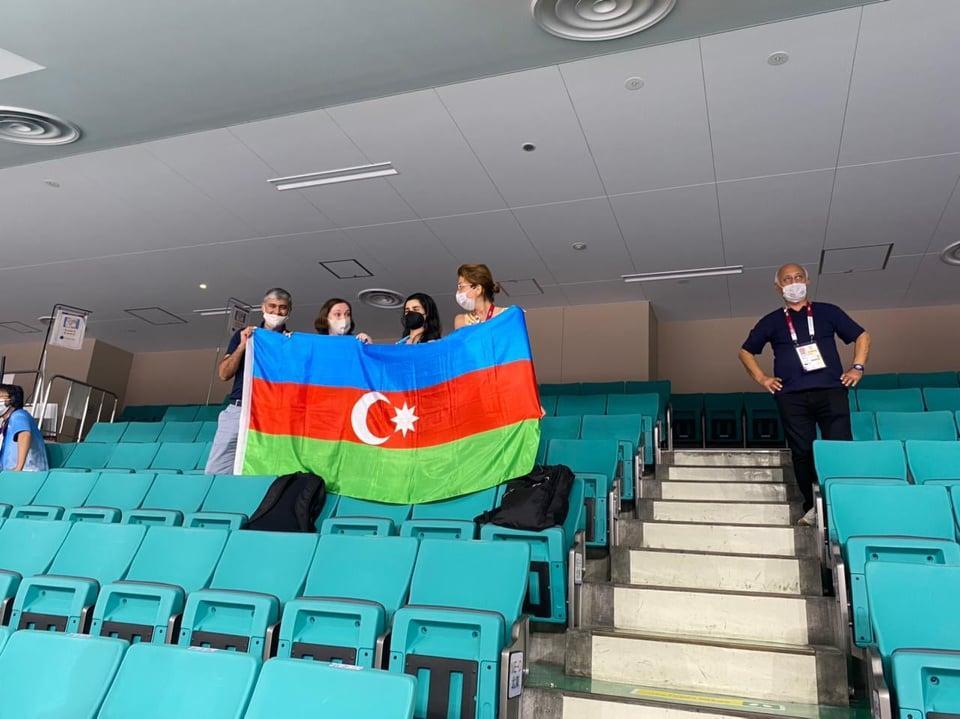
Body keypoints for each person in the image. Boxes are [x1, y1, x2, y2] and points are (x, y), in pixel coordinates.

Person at [738, 263, 871, 525]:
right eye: (787, 279)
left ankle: (843, 501)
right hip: (791, 396)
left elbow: (862, 335)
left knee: (839, 446)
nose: (794, 282)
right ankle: (813, 507)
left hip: (831, 390)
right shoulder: (771, 321)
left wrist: (857, 367)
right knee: (802, 451)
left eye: (798, 277)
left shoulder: (828, 311)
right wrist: (762, 378)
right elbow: (745, 351)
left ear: (807, 281)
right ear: (778, 287)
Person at [205, 287, 293, 475]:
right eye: (272, 306)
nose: (277, 312)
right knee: (217, 470)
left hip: (272, 413)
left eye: (282, 307)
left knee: (265, 469)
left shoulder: (292, 342)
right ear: (263, 307)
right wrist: (243, 345)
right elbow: (223, 374)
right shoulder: (245, 335)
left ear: (289, 311)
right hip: (239, 409)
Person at [0, 384, 48, 472]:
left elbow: (24, 435)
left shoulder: (18, 415)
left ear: (12, 400)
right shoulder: (7, 422)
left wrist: (19, 468)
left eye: (0, 397)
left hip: (27, 473)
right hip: (11, 473)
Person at [453, 263, 507, 330]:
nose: (458, 291)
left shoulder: (507, 315)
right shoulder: (461, 320)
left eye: (461, 286)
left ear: (478, 289)